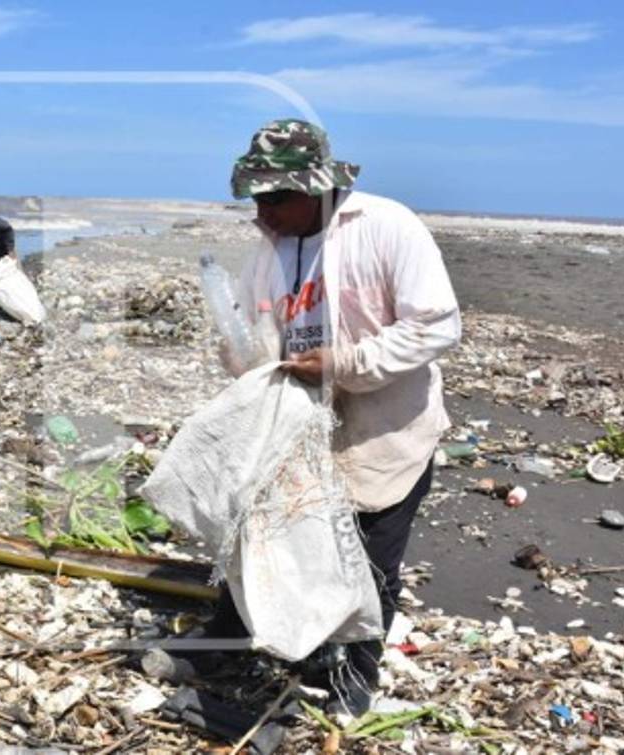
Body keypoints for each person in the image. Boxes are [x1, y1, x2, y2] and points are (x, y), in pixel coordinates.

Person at [221, 119, 461, 715]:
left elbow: (437, 326)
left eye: (275, 199)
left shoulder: (385, 227)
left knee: (370, 562)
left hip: (384, 426)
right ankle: (255, 646)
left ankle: (354, 681)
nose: (262, 212)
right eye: (256, 198)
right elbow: (252, 326)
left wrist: (345, 362)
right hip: (300, 429)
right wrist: (244, 356)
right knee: (282, 541)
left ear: (317, 187)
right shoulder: (270, 248)